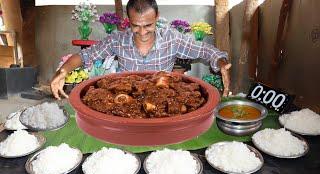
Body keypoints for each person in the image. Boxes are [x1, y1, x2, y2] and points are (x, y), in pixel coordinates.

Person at [51, 0, 232, 100]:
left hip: (161, 98)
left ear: (157, 17)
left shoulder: (172, 39)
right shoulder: (117, 40)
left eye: (148, 25)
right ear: (128, 20)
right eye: (136, 26)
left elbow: (205, 50)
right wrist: (62, 72)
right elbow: (84, 55)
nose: (143, 32)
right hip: (123, 98)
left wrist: (222, 63)